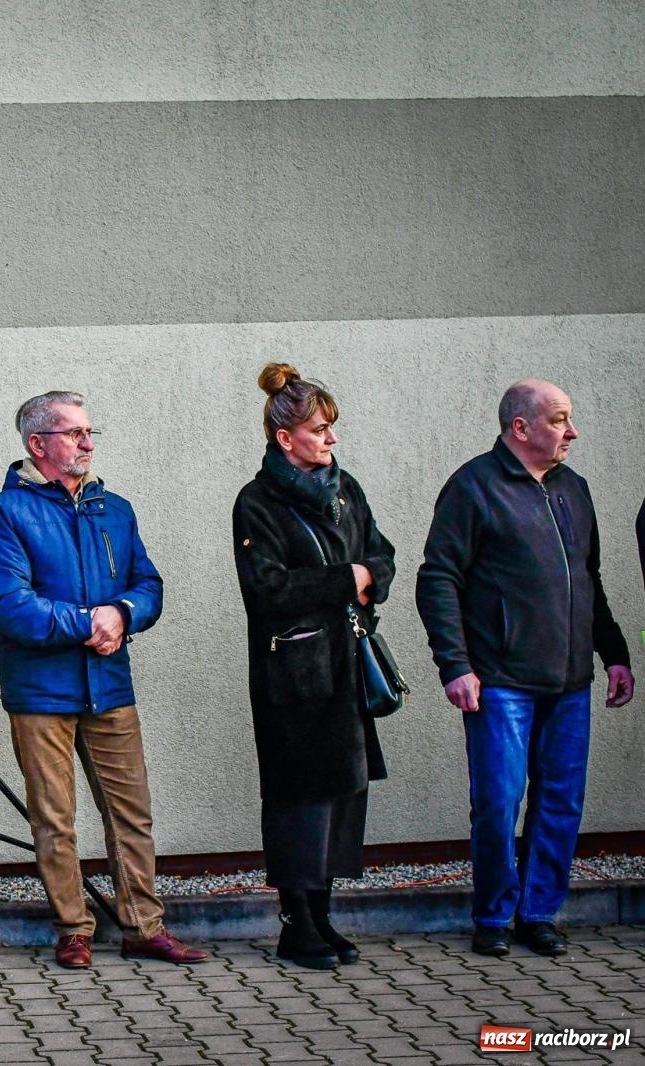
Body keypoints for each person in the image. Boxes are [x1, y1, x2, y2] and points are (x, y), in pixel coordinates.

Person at [0, 391, 207, 970]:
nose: (87, 442)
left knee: (132, 813)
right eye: (74, 433)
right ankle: (73, 929)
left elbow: (148, 584)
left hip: (109, 684)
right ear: (38, 445)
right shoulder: (6, 512)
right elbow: (12, 607)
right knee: (55, 818)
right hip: (40, 693)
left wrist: (124, 612)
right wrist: (90, 621)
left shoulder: (115, 509)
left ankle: (142, 926)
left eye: (88, 432)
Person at [417, 379, 634, 958]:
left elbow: (589, 583)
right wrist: (455, 665)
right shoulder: (473, 488)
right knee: (498, 799)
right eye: (560, 419)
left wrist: (614, 654)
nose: (572, 431)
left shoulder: (574, 490)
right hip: (500, 681)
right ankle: (492, 916)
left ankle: (538, 913)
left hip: (569, 683)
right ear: (521, 428)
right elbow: (437, 579)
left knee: (560, 800)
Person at [231, 363, 396, 969]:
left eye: (331, 428)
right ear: (285, 438)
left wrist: (369, 575)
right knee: (299, 795)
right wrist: (345, 579)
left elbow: (381, 554)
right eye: (320, 429)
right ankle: (296, 921)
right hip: (293, 675)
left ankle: (324, 913)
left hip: (348, 663)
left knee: (343, 791)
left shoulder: (345, 488)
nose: (331, 440)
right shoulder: (257, 502)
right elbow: (267, 590)